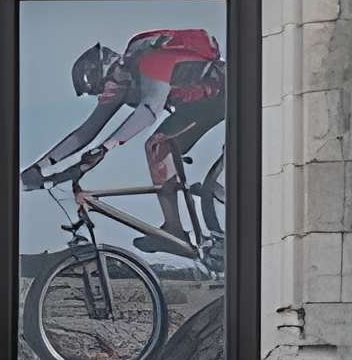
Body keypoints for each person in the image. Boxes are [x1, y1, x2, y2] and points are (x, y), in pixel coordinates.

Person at [21, 25, 225, 253]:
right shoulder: (122, 82)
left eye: (103, 88)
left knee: (157, 144)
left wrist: (106, 148)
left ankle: (183, 230)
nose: (106, 94)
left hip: (222, 95)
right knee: (159, 147)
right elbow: (87, 130)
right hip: (196, 106)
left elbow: (150, 109)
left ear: (112, 71)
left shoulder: (151, 62)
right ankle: (177, 232)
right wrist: (40, 167)